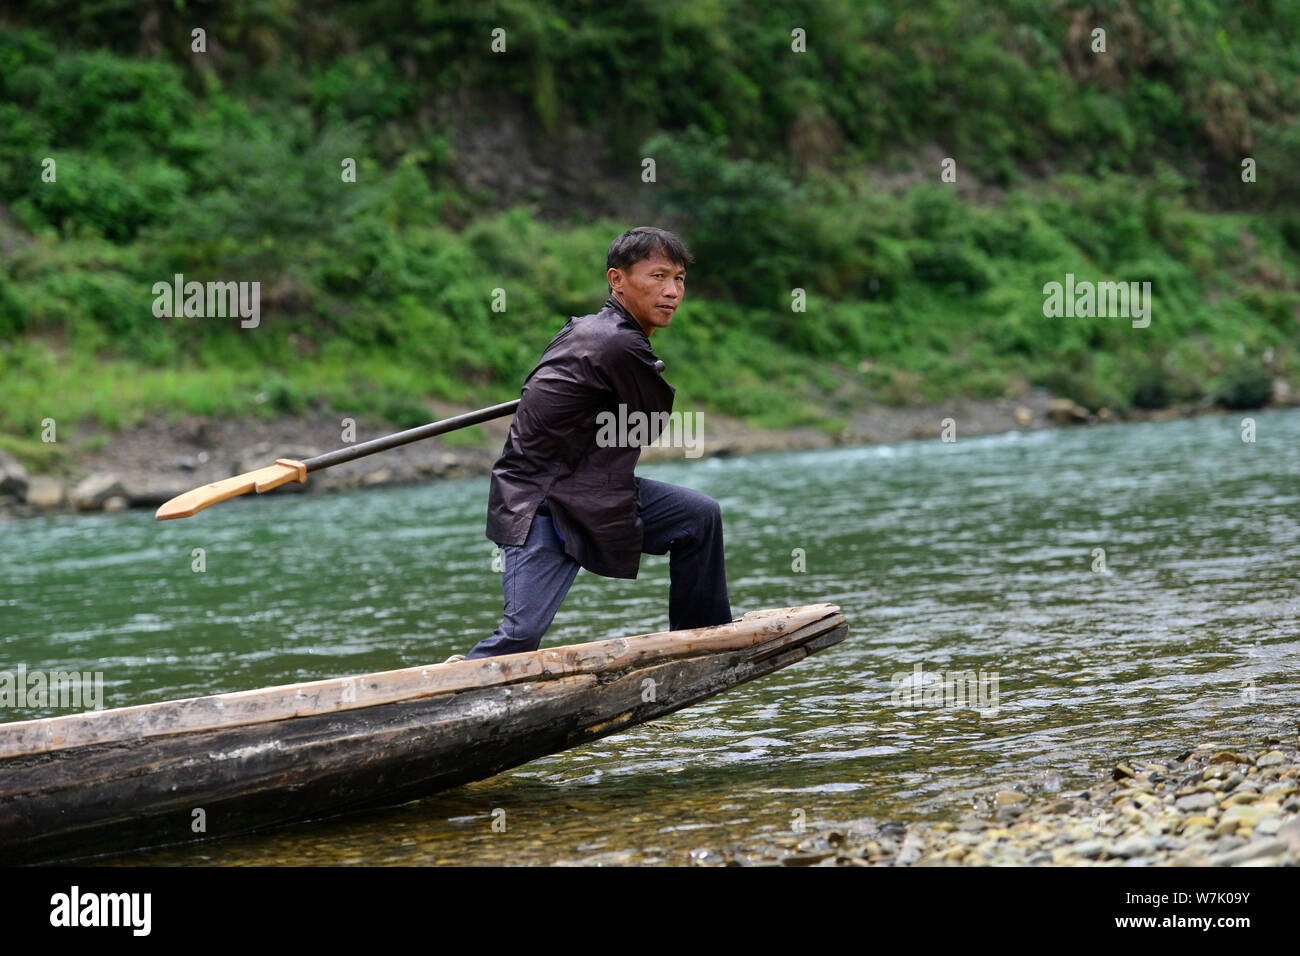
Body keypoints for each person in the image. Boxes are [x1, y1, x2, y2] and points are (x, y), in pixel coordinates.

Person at [453, 226, 733, 662]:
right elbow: (645, 426)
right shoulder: (616, 343)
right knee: (520, 636)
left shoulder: (588, 331)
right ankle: (453, 687)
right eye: (657, 277)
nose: (672, 291)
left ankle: (701, 639)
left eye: (678, 279)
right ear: (616, 280)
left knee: (697, 516)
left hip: (593, 486)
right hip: (542, 498)